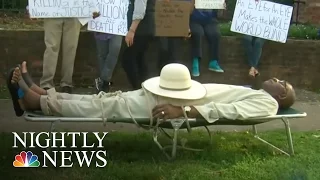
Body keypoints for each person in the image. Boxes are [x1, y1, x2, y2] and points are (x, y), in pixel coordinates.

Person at [7, 62, 295, 125]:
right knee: (106, 100)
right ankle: (40, 93)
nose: (278, 78)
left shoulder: (266, 104)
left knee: (104, 109)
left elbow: (229, 112)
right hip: (169, 94)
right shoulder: (254, 91)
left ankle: (39, 101)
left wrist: (183, 112)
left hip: (172, 106)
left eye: (283, 84)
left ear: (281, 98)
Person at [26, 6, 100, 94]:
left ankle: (66, 83)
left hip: (74, 12)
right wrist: (33, 8)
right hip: (52, 11)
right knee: (51, 48)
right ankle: (46, 83)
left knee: (70, 48)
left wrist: (93, 7)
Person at [121, 0, 155, 90]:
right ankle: (144, 88)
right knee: (140, 59)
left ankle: (138, 88)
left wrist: (132, 30)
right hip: (145, 28)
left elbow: (140, 10)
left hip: (140, 29)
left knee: (128, 59)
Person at [189, 1, 225, 77]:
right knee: (198, 33)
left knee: (215, 34)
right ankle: (195, 62)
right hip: (194, 20)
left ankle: (213, 61)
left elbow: (219, 14)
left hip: (210, 20)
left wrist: (222, 7)